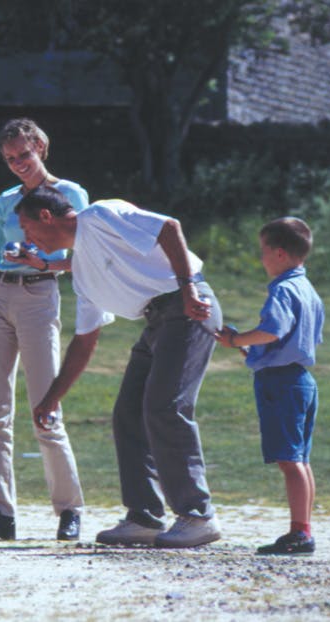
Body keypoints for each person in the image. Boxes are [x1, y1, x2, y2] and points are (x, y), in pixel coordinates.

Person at [16, 186, 223, 548]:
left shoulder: (99, 215)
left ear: (45, 217)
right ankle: (144, 517)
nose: (25, 237)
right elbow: (84, 342)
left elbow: (168, 228)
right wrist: (51, 399)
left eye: (26, 226)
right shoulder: (81, 271)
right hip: (157, 321)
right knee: (128, 412)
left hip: (189, 307)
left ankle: (197, 514)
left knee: (165, 406)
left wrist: (188, 287)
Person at [0, 118, 86, 541]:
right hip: (0, 297)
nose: (18, 165)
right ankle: (0, 512)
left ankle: (69, 510)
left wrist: (42, 261)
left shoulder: (71, 193)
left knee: (45, 405)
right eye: (10, 159)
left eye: (24, 155)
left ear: (41, 147)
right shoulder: (5, 201)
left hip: (40, 294)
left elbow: (81, 250)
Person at [215, 217, 324, 555]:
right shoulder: (308, 290)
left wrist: (236, 339)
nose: (261, 258)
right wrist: (251, 350)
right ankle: (303, 528)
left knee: (289, 461)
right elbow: (292, 339)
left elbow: (273, 330)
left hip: (282, 383)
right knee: (300, 459)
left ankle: (299, 533)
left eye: (263, 251)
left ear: (279, 253)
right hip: (302, 380)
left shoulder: (282, 289)